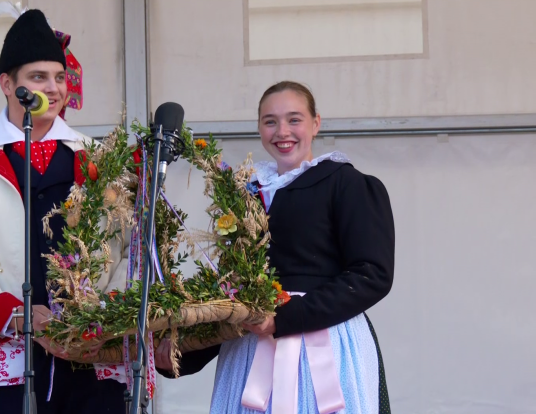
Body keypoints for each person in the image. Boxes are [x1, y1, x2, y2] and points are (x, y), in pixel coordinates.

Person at [0, 8, 127, 414]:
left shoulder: (102, 160)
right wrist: (15, 316)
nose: (54, 89)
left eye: (59, 77)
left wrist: (103, 312)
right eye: (38, 78)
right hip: (10, 368)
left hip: (91, 360)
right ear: (7, 84)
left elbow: (127, 250)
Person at [156, 81, 395, 413]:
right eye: (270, 121)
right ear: (259, 127)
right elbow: (232, 292)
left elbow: (373, 274)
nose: (283, 131)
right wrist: (183, 353)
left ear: (316, 123)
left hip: (324, 345)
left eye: (294, 119)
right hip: (253, 349)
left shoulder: (347, 184)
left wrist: (284, 318)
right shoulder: (248, 193)